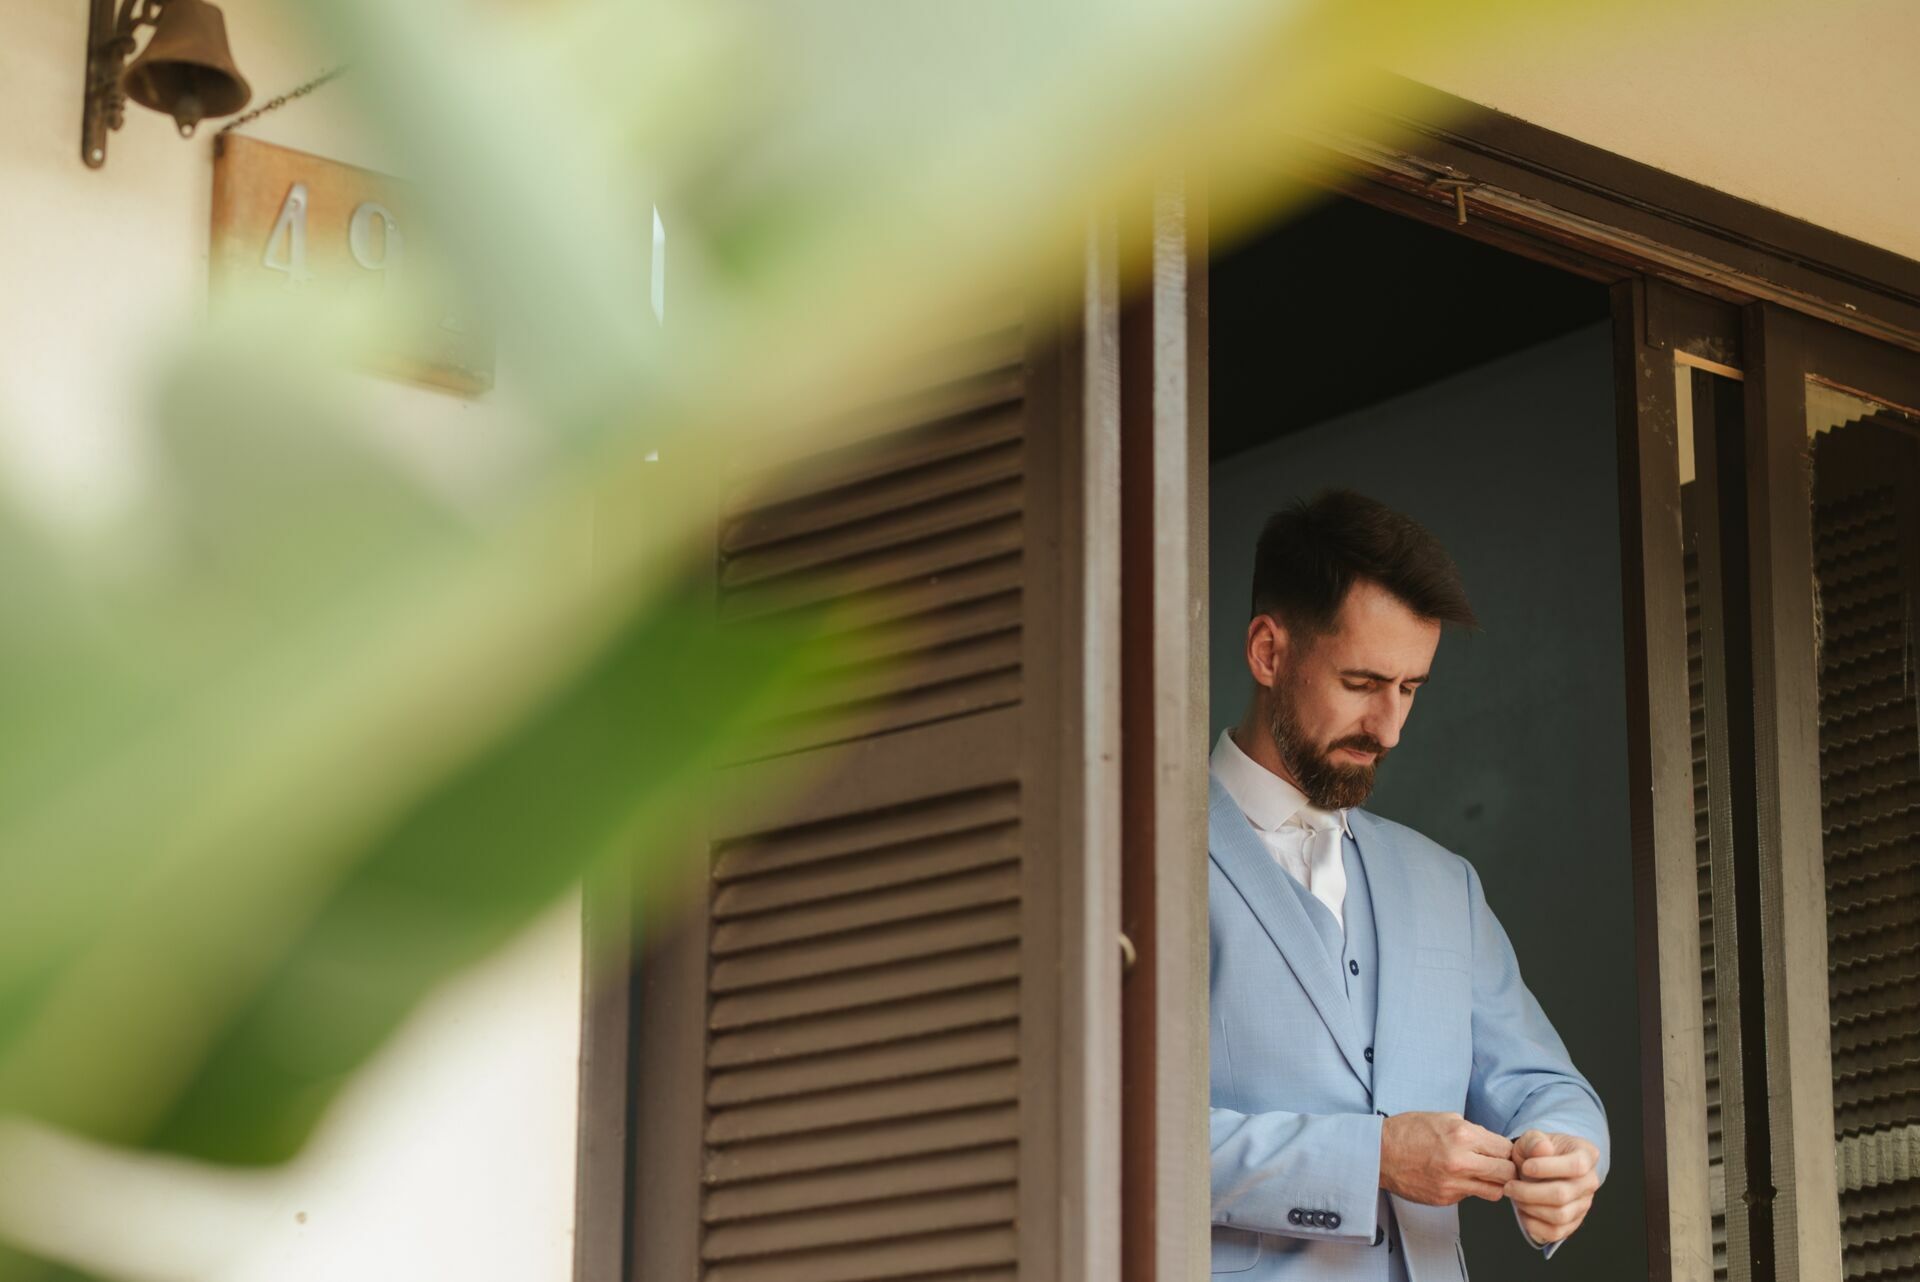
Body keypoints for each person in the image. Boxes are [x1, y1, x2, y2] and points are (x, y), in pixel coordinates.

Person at [1209, 490, 1607, 1279]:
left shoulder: (1444, 884)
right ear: (1268, 652)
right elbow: (1104, 1137)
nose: (1389, 728)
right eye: (1362, 683)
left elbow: (1543, 1087)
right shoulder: (1136, 861)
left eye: (1411, 689)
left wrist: (1569, 1153)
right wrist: (1370, 1158)